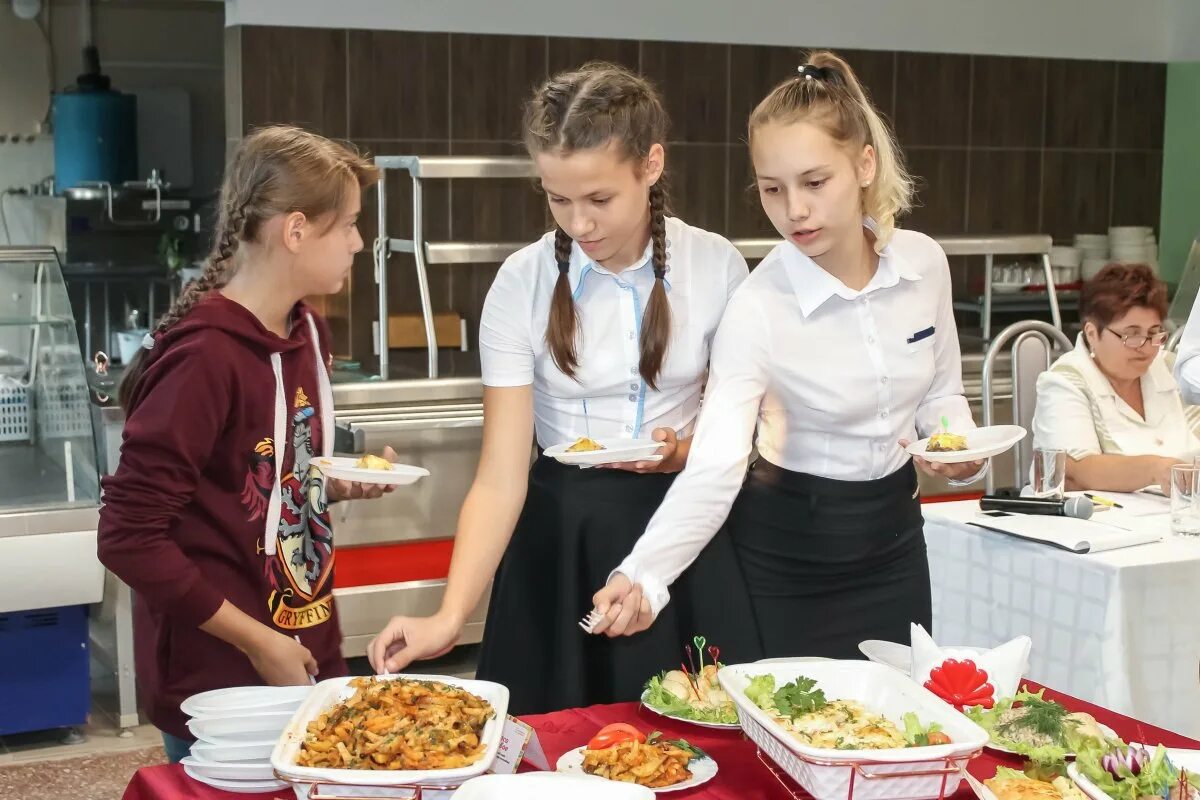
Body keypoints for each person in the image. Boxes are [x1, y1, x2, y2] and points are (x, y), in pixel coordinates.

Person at [367, 62, 761, 714]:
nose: (578, 223)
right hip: (560, 538)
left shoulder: (716, 266)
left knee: (694, 747)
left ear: (651, 165)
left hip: (685, 530)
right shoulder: (520, 285)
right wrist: (449, 614)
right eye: (557, 198)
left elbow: (737, 438)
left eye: (599, 199)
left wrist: (679, 452)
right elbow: (500, 476)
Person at [591, 51, 986, 659]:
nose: (794, 210)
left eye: (814, 183)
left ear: (864, 165)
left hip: (894, 542)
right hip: (787, 555)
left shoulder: (925, 264)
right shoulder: (758, 309)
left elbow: (941, 395)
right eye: (773, 189)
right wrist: (643, 574)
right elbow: (717, 465)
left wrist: (959, 449)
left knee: (900, 728)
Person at [98, 126, 392, 762]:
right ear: (294, 231)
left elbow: (264, 479)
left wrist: (329, 485)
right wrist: (259, 641)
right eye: (347, 225)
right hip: (224, 678)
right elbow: (128, 537)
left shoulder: (306, 329)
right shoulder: (205, 358)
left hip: (307, 644)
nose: (358, 243)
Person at [1033, 263, 1198, 493]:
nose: (1146, 347)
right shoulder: (1065, 381)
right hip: (1093, 520)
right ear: (1092, 333)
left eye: (1153, 333)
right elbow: (1074, 471)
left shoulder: (1171, 370)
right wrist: (1155, 469)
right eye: (1131, 335)